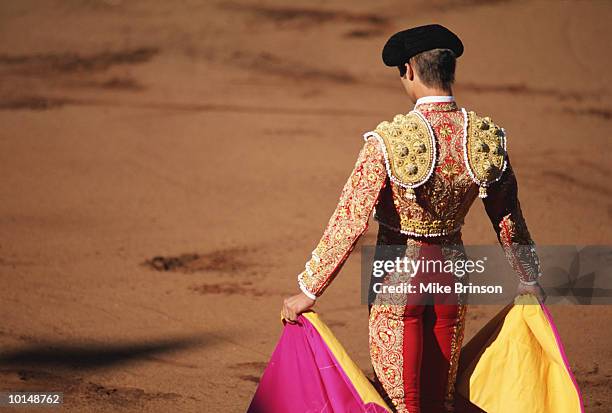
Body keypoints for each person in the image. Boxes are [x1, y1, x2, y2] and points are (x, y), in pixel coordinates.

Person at [280, 24, 545, 413]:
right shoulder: (483, 138)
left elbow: (350, 220)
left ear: (408, 70)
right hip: (454, 272)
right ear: (449, 69)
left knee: (402, 404)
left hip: (396, 274)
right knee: (441, 401)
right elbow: (507, 216)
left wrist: (310, 289)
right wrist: (528, 278)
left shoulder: (388, 141)